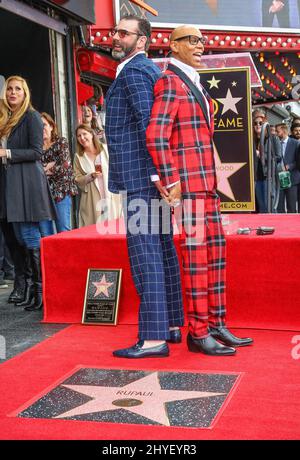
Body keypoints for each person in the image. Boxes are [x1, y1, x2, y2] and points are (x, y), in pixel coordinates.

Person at [146, 25, 253, 356]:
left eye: (201, 40)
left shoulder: (194, 82)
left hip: (206, 187)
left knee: (215, 256)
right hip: (189, 189)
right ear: (173, 46)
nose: (200, 45)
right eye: (192, 40)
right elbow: (155, 135)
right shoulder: (169, 81)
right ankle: (199, 331)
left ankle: (216, 323)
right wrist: (172, 181)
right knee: (195, 258)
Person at [105, 14, 184, 359]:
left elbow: (149, 125)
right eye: (115, 31)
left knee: (145, 257)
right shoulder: (146, 70)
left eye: (123, 32)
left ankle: (152, 339)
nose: (115, 36)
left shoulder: (135, 71)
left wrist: (156, 175)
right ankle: (170, 324)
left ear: (141, 41)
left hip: (142, 178)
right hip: (150, 177)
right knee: (162, 250)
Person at [0, 75, 56, 311]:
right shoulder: (8, 119)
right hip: (15, 183)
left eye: (17, 89)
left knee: (31, 236)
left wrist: (7, 153)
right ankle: (33, 291)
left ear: (25, 93)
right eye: (10, 89)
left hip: (28, 182)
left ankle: (41, 292)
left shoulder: (31, 116)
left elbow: (36, 152)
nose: (13, 93)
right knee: (22, 237)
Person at [74, 124, 122, 227]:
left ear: (91, 134)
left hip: (110, 194)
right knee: (94, 230)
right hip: (92, 199)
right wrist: (89, 176)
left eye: (84, 134)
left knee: (112, 228)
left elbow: (118, 167)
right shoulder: (79, 156)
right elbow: (77, 179)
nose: (82, 138)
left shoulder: (106, 149)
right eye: (79, 136)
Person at [40, 112, 78, 235]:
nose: (42, 129)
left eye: (44, 125)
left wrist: (43, 168)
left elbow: (65, 167)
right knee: (46, 234)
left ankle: (68, 255)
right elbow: (35, 171)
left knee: (63, 231)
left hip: (61, 191)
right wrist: (51, 165)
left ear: (51, 126)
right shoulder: (36, 149)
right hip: (42, 194)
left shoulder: (60, 142)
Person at [252, 109, 281, 212]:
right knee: (262, 207)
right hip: (256, 178)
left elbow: (278, 157)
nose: (258, 125)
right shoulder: (252, 140)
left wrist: (262, 155)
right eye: (255, 123)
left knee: (270, 206)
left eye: (261, 123)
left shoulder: (273, 138)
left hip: (268, 177)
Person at [275, 123, 300, 213]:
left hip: (292, 178)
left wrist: (290, 166)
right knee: (279, 206)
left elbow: (298, 161)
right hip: (279, 177)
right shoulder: (276, 143)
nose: (276, 133)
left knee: (291, 206)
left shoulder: (296, 143)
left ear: (284, 131)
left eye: (278, 131)